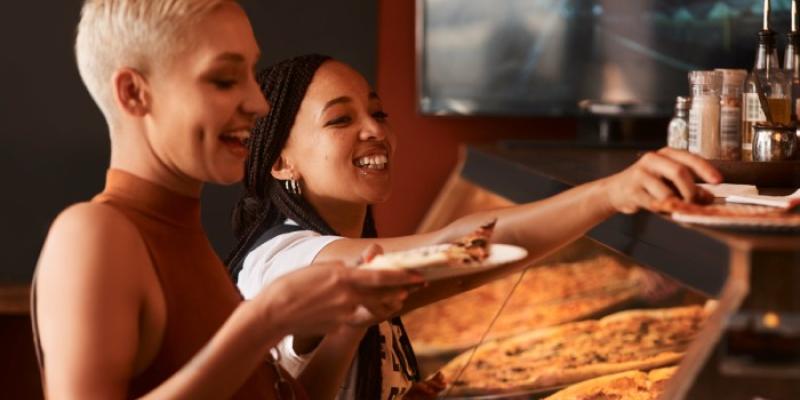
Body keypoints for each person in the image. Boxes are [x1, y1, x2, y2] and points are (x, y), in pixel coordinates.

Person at [225, 55, 722, 399]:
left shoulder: (329, 247)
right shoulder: (286, 261)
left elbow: (459, 264)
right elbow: (461, 254)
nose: (375, 129)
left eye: (378, 112)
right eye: (339, 120)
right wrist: (612, 193)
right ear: (281, 162)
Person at [32, 2, 424, 399]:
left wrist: (349, 326)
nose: (259, 103)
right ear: (134, 93)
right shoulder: (94, 233)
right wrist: (263, 321)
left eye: (251, 76)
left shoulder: (186, 237)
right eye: (224, 79)